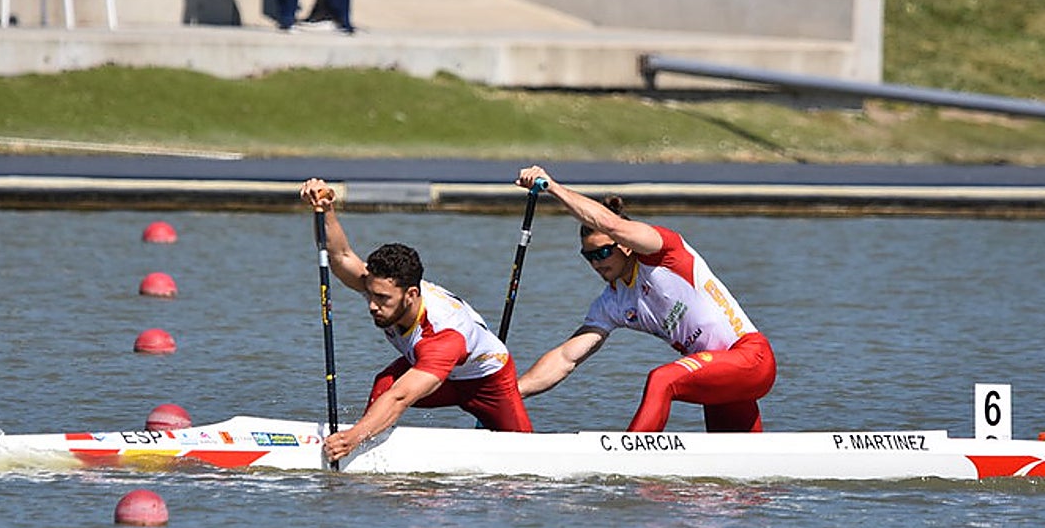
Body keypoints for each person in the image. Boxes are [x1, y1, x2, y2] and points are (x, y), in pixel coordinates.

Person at [514, 165, 776, 433]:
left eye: (603, 253)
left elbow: (611, 224)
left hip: (750, 357)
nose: (596, 263)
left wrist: (553, 187)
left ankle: (629, 462)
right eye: (589, 256)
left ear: (625, 244)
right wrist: (511, 394)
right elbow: (565, 358)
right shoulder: (611, 304)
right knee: (736, 465)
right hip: (717, 375)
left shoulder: (665, 254)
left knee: (662, 379)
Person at [300, 178, 533, 463]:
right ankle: (366, 449)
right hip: (437, 373)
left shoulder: (444, 334)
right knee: (385, 383)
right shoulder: (385, 288)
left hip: (488, 383)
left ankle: (355, 440)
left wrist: (353, 436)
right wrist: (325, 209)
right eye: (371, 294)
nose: (372, 305)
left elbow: (401, 398)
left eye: (382, 299)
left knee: (524, 454)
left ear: (411, 294)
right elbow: (341, 255)